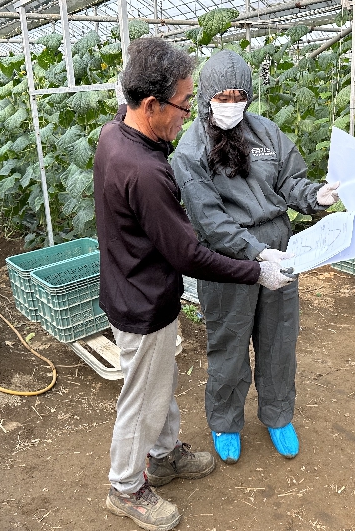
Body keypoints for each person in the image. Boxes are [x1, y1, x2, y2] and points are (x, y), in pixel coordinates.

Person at [94, 38, 293, 531]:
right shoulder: (146, 170)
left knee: (158, 384)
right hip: (143, 300)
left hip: (137, 288)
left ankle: (164, 457)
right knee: (142, 399)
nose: (189, 115)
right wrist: (255, 269)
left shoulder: (116, 134)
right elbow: (189, 254)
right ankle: (126, 488)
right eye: (185, 104)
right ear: (150, 104)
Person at [171, 50, 340, 465]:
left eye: (239, 96)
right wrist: (256, 254)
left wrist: (315, 196)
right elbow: (209, 219)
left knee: (279, 338)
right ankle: (225, 423)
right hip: (228, 261)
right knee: (228, 343)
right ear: (207, 96)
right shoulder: (190, 149)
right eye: (223, 97)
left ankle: (278, 416)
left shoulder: (266, 133)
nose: (231, 105)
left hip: (280, 252)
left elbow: (290, 182)